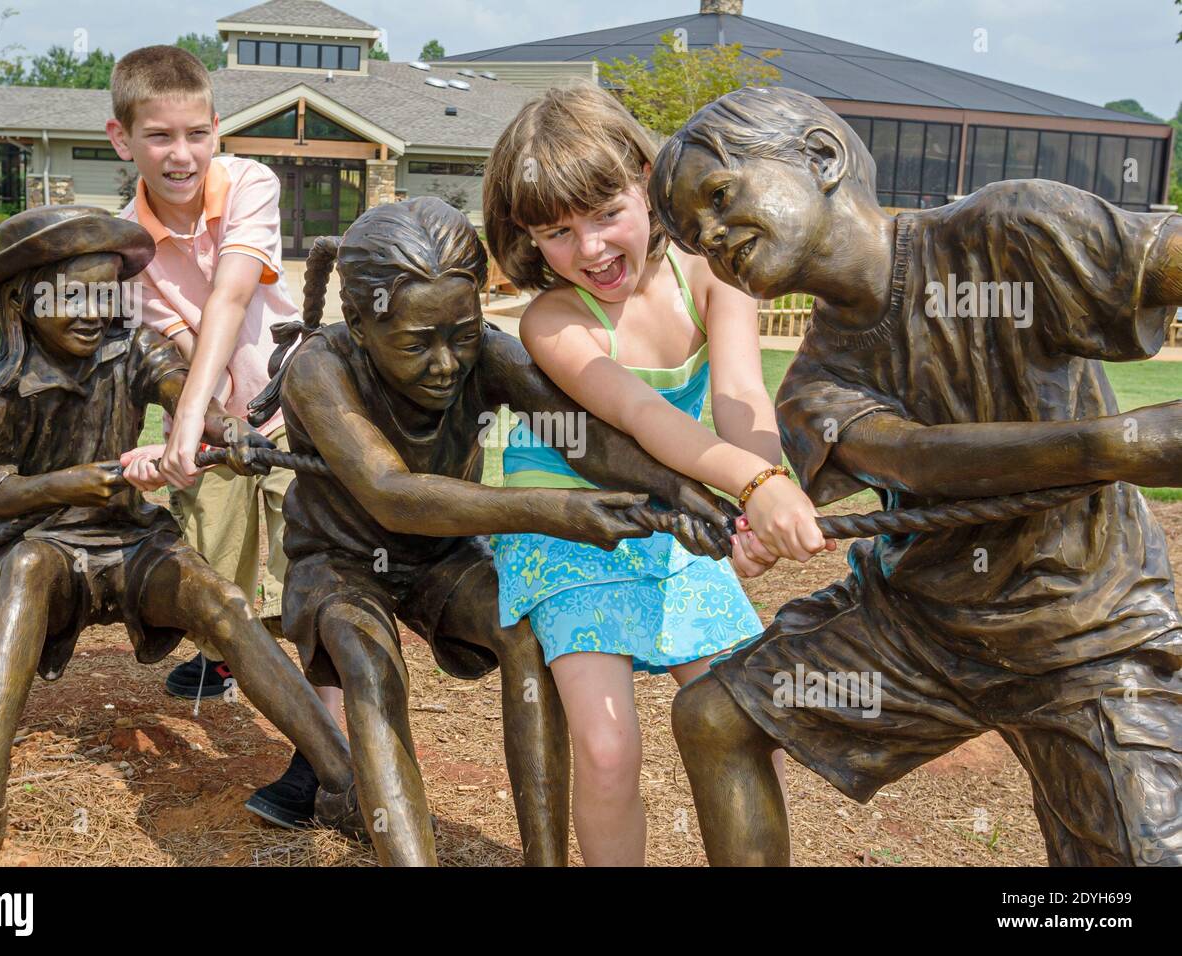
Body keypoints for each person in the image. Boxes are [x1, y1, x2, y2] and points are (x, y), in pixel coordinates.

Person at [651, 85, 1182, 866]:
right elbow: (924, 461)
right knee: (714, 717)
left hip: (1089, 631)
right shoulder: (810, 387)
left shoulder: (1010, 229)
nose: (712, 237)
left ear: (822, 157)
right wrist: (1122, 445)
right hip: (920, 635)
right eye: (693, 237)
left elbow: (1162, 257)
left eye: (720, 197)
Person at [250, 195, 739, 865]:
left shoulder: (489, 355)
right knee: (369, 665)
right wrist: (552, 512)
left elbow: (589, 443)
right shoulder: (321, 369)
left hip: (444, 555)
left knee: (526, 635)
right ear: (362, 326)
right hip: (342, 561)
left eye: (462, 332)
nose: (448, 362)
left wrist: (687, 494)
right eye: (417, 343)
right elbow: (394, 495)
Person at [0, 205, 357, 867]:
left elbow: (188, 398)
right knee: (24, 572)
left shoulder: (135, 353)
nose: (93, 310)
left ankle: (341, 779)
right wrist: (65, 486)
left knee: (222, 602)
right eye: (71, 295)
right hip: (46, 547)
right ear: (22, 301)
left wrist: (227, 431)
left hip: (132, 544)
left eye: (105, 292)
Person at [479, 83, 830, 865]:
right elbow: (646, 418)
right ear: (530, 239)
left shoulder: (712, 275)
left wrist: (763, 484)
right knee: (609, 750)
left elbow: (740, 394)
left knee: (750, 723)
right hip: (572, 535)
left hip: (675, 532)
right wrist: (751, 486)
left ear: (647, 179)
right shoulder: (554, 321)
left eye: (607, 213)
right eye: (558, 233)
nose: (591, 249)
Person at [103, 45, 339, 828]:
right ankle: (224, 658)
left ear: (216, 129)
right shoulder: (125, 246)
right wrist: (179, 438)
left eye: (197, 133)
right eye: (159, 136)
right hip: (212, 428)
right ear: (120, 139)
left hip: (292, 415)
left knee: (312, 583)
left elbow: (233, 301)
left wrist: (205, 417)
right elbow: (170, 350)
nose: (182, 154)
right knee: (219, 578)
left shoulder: (250, 182)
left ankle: (320, 762)